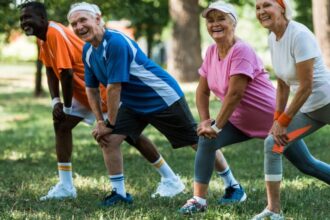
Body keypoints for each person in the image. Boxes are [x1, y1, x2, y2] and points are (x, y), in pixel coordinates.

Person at [67, 2, 243, 207]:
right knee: (109, 139)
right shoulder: (88, 50)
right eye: (74, 24)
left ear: (97, 19)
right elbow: (92, 89)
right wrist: (100, 121)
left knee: (198, 140)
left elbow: (114, 87)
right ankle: (119, 193)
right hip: (133, 103)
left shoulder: (115, 42)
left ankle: (233, 185)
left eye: (83, 20)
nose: (79, 27)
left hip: (160, 96)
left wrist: (110, 123)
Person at [19, 1, 185, 201]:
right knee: (61, 125)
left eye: (28, 17)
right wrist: (56, 101)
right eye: (21, 19)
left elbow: (67, 74)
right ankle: (66, 185)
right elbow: (50, 69)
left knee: (131, 136)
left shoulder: (56, 33)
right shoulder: (42, 39)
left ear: (43, 19)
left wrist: (68, 107)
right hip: (82, 92)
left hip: (100, 94)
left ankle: (170, 178)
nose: (24, 22)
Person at [179, 1, 330, 215]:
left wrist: (278, 121)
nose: (215, 24)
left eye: (221, 18)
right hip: (247, 120)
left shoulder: (248, 49)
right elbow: (203, 91)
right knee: (207, 140)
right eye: (210, 20)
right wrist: (205, 121)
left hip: (297, 109)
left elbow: (235, 94)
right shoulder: (218, 50)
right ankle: (199, 200)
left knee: (306, 164)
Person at [253, 0, 330, 219]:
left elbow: (306, 86)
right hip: (309, 108)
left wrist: (284, 121)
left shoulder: (300, 35)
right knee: (273, 144)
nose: (261, 12)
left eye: (266, 5)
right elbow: (283, 83)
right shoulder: (273, 38)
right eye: (257, 8)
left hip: (326, 100)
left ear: (282, 8)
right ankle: (273, 211)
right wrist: (277, 118)